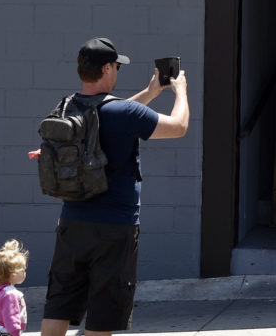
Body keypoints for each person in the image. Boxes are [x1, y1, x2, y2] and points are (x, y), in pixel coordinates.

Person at [38, 37, 189, 336]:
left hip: (71, 224)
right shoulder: (123, 114)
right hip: (114, 229)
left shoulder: (67, 106)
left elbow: (110, 114)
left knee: (59, 307)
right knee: (103, 317)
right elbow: (178, 126)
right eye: (117, 66)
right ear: (107, 68)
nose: (117, 71)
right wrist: (180, 93)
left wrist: (149, 92)